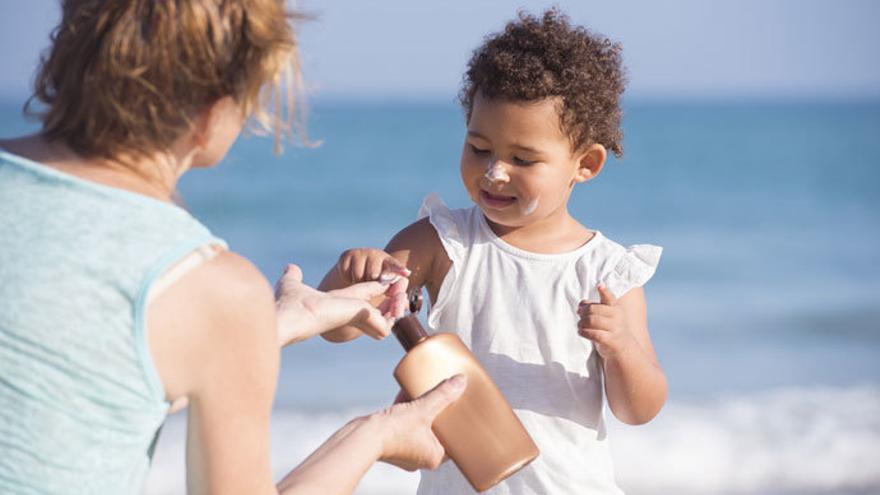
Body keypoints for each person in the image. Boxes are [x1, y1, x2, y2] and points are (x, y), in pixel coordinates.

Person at [0, 1, 464, 494]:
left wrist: (273, 326)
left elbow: (77, 377)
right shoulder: (212, 286)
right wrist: (375, 433)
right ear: (213, 109)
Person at [319, 9, 668, 494]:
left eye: (523, 158)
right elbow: (339, 328)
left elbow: (638, 409)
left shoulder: (606, 272)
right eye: (479, 147)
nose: (494, 172)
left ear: (585, 163)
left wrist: (622, 350)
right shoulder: (442, 241)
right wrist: (347, 276)